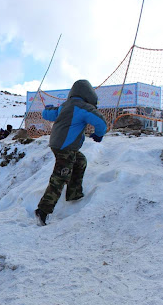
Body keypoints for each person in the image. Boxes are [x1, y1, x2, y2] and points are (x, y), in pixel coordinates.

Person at [35, 79, 108, 226]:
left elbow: (49, 114)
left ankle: (74, 194)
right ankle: (43, 210)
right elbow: (100, 121)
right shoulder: (82, 107)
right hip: (65, 147)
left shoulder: (65, 106)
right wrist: (99, 134)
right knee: (60, 176)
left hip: (58, 144)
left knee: (80, 161)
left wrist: (46, 109)